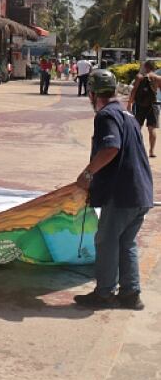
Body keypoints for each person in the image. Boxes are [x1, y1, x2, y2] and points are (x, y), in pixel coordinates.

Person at [73, 69, 153, 310]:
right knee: (126, 243)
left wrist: (88, 173)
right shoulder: (127, 115)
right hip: (141, 193)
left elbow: (111, 148)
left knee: (106, 241)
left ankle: (105, 293)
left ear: (92, 94)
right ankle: (130, 294)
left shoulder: (106, 115)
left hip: (121, 195)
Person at [127, 60, 160, 158]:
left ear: (145, 67)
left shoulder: (139, 77)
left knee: (137, 127)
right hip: (153, 105)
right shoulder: (158, 78)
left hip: (140, 105)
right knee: (152, 128)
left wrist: (129, 103)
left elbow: (134, 90)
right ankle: (151, 151)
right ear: (154, 68)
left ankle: (136, 150)